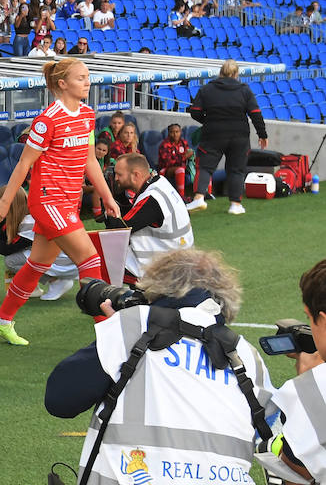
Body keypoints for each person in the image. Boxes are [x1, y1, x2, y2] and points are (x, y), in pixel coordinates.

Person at [45, 250, 274, 485]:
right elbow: (271, 433)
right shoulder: (246, 354)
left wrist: (115, 331)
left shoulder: (134, 325)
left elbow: (60, 400)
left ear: (157, 287)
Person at [0, 58, 121, 346]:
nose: (88, 82)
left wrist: (107, 196)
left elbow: (89, 161)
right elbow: (24, 164)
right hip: (49, 201)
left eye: (88, 76)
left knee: (37, 264)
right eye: (81, 78)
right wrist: (5, 202)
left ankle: (2, 320)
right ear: (62, 84)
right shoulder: (47, 120)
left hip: (68, 202)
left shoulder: (87, 114)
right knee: (90, 258)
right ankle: (107, 332)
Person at [0, 186, 79, 301]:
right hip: (58, 256)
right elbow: (5, 237)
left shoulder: (29, 222)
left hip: (63, 260)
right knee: (16, 257)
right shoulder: (24, 216)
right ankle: (34, 288)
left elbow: (6, 248)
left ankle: (56, 281)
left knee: (11, 260)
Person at [186, 60, 268, 216]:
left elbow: (195, 111)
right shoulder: (245, 90)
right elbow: (255, 114)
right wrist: (262, 134)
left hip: (213, 133)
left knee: (205, 167)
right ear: (236, 74)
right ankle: (235, 205)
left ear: (220, 72)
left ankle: (199, 197)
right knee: (236, 170)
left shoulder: (207, 89)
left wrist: (209, 120)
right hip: (239, 135)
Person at [272, 259, 326, 484]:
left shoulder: (313, 387)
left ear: (322, 320)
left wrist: (308, 382)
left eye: (308, 318)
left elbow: (296, 474)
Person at [110, 152, 195, 280]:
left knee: (102, 257)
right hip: (181, 260)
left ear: (136, 175)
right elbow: (135, 215)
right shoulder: (160, 182)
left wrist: (107, 200)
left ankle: (134, 296)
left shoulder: (151, 199)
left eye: (119, 174)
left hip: (165, 269)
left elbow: (119, 230)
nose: (115, 178)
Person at [157, 123, 195, 201]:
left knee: (201, 166)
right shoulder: (164, 144)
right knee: (180, 169)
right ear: (169, 133)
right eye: (172, 132)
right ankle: (181, 196)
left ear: (180, 132)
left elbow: (188, 155)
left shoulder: (183, 143)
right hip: (166, 170)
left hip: (182, 166)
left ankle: (206, 194)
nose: (175, 134)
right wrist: (184, 157)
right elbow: (168, 163)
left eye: (177, 132)